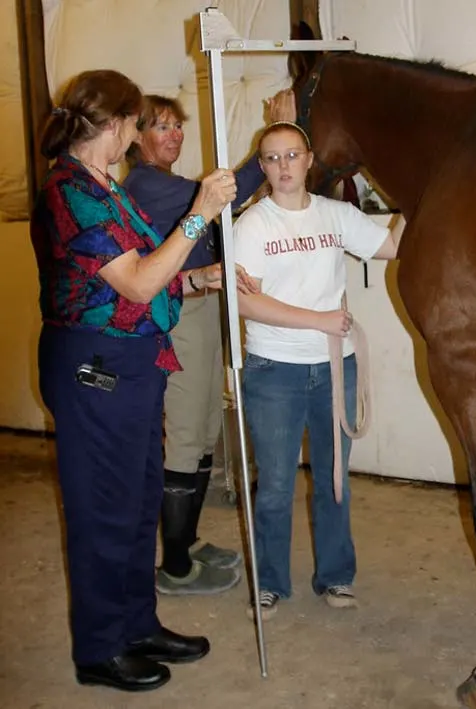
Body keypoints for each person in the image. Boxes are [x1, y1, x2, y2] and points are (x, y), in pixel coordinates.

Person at [30, 69, 237, 692]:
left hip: (135, 364)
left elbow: (148, 270)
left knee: (140, 502)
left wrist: (201, 279)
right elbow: (139, 282)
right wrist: (200, 213)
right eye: (136, 123)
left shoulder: (104, 183)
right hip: (97, 368)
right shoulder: (71, 191)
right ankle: (99, 648)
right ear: (118, 124)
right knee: (104, 512)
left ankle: (136, 625)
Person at [122, 90, 296, 595]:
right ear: (137, 138)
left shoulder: (172, 184)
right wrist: (273, 140)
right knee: (184, 433)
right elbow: (233, 189)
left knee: (199, 432)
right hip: (178, 316)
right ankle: (174, 565)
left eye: (177, 126)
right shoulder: (149, 185)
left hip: (199, 311)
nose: (173, 134)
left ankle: (188, 541)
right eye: (161, 127)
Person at [233, 121, 406, 619]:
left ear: (309, 160)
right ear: (262, 166)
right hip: (275, 372)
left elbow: (390, 247)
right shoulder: (254, 225)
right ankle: (270, 582)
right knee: (277, 485)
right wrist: (320, 320)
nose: (283, 166)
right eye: (272, 158)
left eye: (292, 155)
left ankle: (336, 576)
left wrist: (419, 193)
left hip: (334, 367)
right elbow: (248, 304)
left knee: (335, 479)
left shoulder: (337, 215)